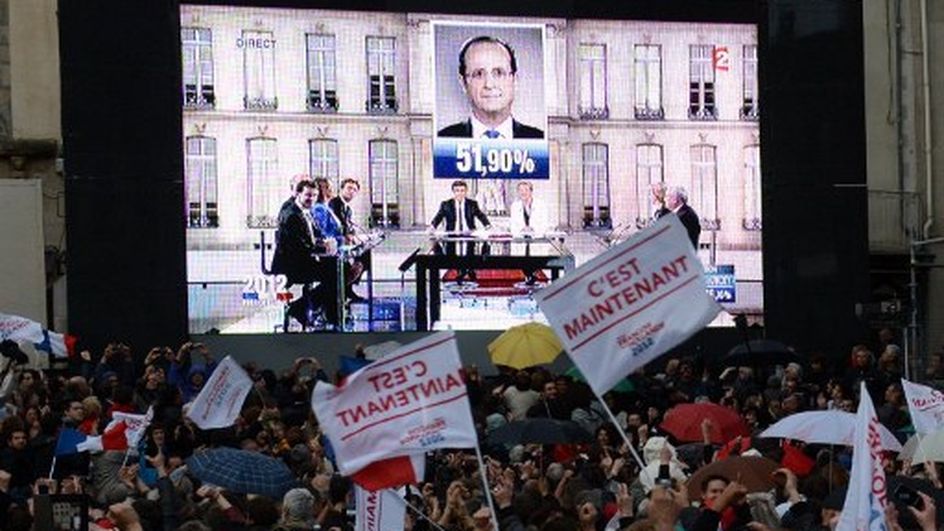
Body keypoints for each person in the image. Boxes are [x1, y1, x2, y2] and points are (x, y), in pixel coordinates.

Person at [437, 36, 544, 139]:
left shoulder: (540, 139)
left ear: (514, 79)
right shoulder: (442, 140)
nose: (489, 84)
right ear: (464, 83)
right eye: (478, 74)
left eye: (498, 73)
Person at [270, 179, 337, 328]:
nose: (311, 199)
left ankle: (317, 311)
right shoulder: (292, 215)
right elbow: (300, 248)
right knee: (335, 274)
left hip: (301, 261)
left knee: (338, 270)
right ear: (298, 194)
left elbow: (315, 236)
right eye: (308, 195)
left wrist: (325, 242)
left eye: (314, 195)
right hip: (290, 266)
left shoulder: (305, 212)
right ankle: (306, 310)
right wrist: (323, 248)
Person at [312, 178, 365, 306]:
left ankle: (334, 301)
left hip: (336, 250)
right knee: (347, 272)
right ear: (321, 190)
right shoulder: (320, 208)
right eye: (328, 188)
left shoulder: (326, 207)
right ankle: (307, 304)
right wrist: (343, 239)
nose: (331, 190)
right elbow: (325, 234)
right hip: (329, 255)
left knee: (357, 265)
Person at [328, 178, 368, 302]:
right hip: (335, 244)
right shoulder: (334, 204)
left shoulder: (348, 209)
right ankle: (344, 288)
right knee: (357, 259)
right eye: (349, 188)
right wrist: (348, 235)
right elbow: (337, 227)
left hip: (345, 243)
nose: (351, 192)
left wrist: (353, 235)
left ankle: (348, 287)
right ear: (341, 189)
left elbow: (349, 227)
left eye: (354, 190)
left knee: (364, 256)